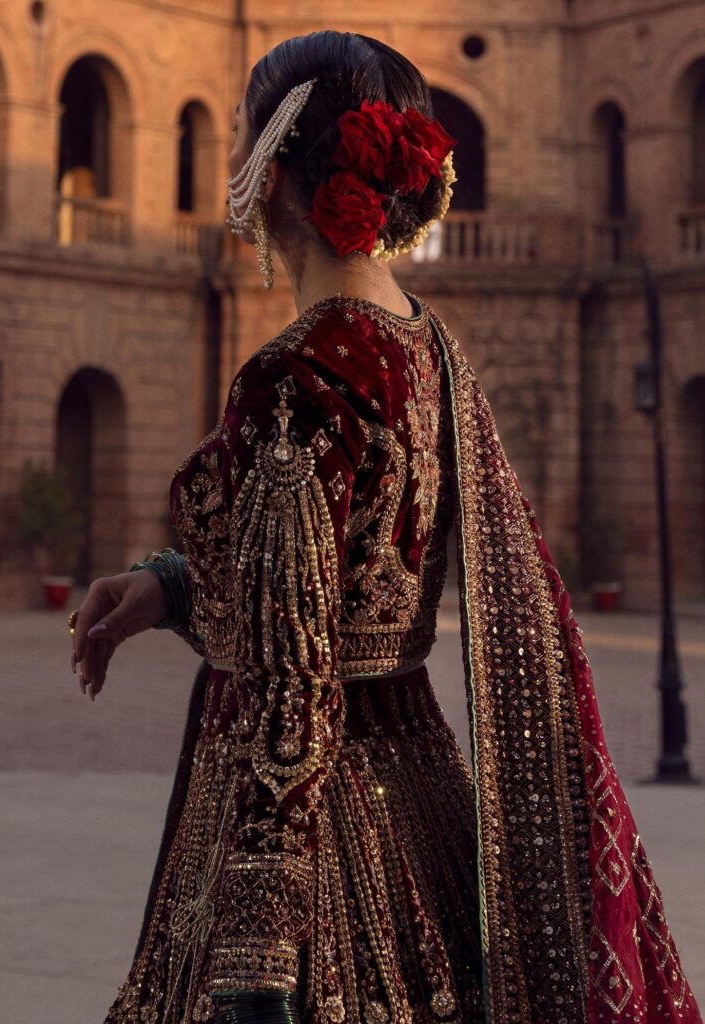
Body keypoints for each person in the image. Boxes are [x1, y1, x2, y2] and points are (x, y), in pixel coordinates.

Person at [69, 30, 702, 1024]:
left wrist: (255, 961)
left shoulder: (292, 375)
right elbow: (350, 576)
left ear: (275, 173)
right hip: (417, 792)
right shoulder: (424, 349)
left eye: (239, 138)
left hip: (316, 854)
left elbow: (290, 685)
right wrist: (168, 586)